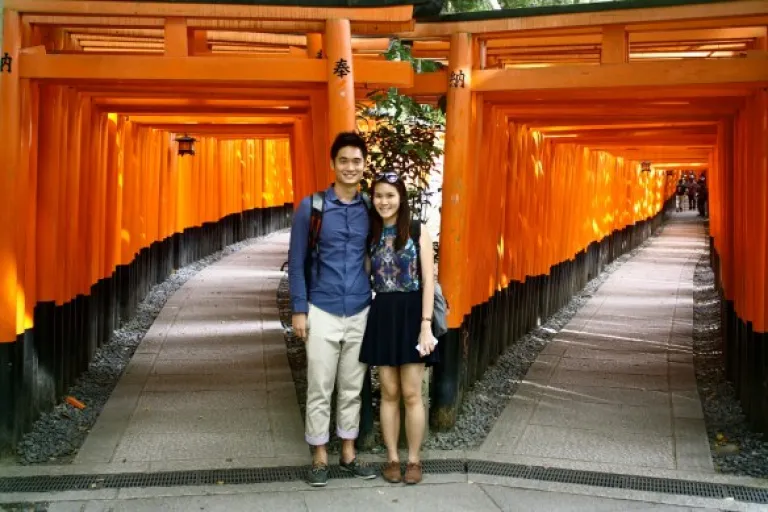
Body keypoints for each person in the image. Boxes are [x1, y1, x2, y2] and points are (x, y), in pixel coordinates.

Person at [288, 132, 377, 487]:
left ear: (364, 165)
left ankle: (349, 453)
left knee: (354, 386)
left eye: (357, 161)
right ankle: (320, 455)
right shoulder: (311, 208)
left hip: (359, 307)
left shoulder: (370, 208)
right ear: (333, 164)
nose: (351, 167)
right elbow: (296, 262)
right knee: (320, 385)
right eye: (344, 161)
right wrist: (299, 309)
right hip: (321, 307)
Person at [359, 171, 439, 485]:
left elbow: (430, 280)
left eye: (390, 195)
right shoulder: (370, 233)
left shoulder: (419, 230)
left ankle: (414, 459)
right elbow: (365, 274)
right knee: (389, 391)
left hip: (412, 312)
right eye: (378, 195)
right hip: (383, 312)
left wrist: (425, 325)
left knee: (411, 392)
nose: (384, 201)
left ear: (401, 198)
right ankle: (392, 457)